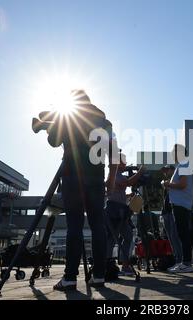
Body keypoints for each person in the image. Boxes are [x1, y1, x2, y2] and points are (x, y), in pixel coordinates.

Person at [53, 90, 119, 291]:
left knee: (74, 226)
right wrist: (111, 179)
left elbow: (53, 141)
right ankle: (98, 276)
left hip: (73, 178)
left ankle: (70, 278)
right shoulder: (105, 122)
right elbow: (114, 154)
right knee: (98, 226)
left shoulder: (68, 115)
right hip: (97, 180)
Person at [105, 153, 145, 276]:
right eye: (123, 162)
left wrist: (129, 196)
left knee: (127, 236)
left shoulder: (118, 175)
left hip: (121, 209)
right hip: (114, 210)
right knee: (112, 238)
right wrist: (140, 172)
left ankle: (124, 265)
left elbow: (120, 189)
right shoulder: (114, 175)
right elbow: (126, 184)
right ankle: (107, 264)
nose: (126, 164)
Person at [162, 144, 193, 273]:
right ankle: (184, 262)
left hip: (181, 204)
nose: (172, 155)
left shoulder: (184, 164)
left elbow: (182, 184)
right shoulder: (181, 165)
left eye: (173, 152)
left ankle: (186, 263)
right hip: (179, 204)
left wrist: (167, 184)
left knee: (183, 233)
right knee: (181, 233)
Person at [160, 165, 183, 266]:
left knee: (175, 235)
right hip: (165, 212)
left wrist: (167, 184)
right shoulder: (166, 182)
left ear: (173, 170)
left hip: (172, 211)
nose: (165, 173)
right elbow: (163, 184)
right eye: (164, 171)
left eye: (167, 170)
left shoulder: (176, 181)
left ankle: (180, 259)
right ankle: (176, 258)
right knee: (170, 237)